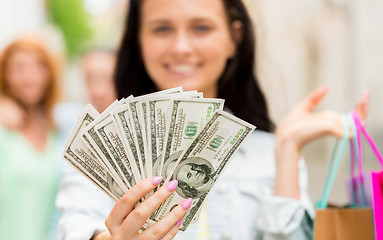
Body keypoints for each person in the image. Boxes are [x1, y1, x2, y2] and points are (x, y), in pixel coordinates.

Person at [56, 0, 370, 239]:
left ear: (234, 38)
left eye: (201, 27)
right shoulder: (102, 150)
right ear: (139, 40)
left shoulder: (269, 154)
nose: (181, 47)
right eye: (162, 28)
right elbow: (77, 224)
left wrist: (287, 151)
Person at [0, 37, 62, 240]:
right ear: (5, 75)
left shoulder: (57, 128)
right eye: (19, 68)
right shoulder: (3, 125)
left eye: (38, 66)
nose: (30, 77)